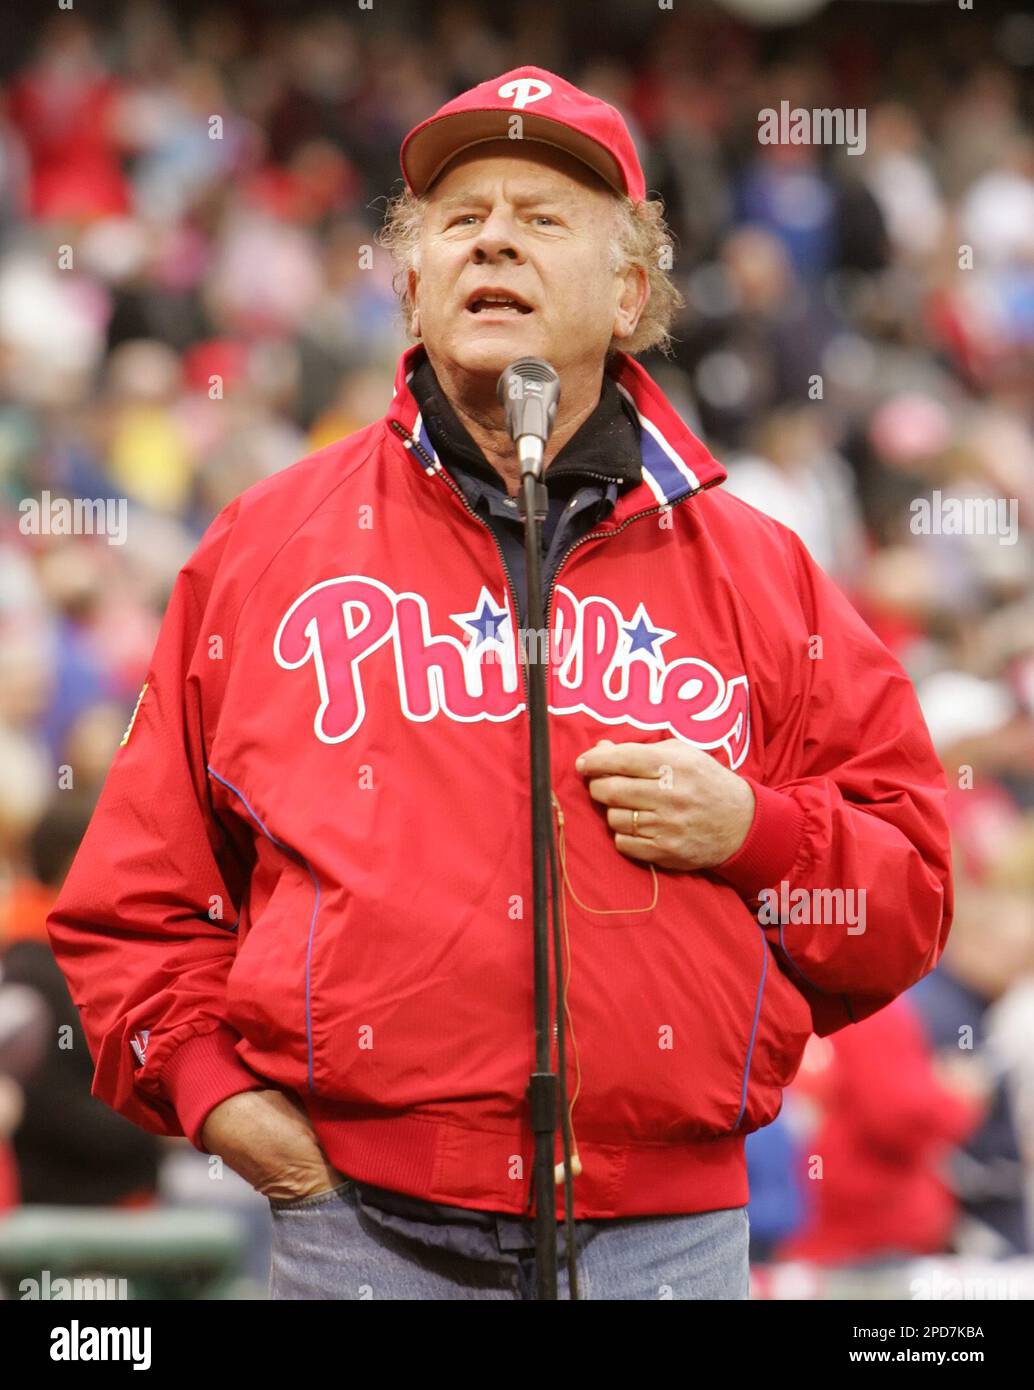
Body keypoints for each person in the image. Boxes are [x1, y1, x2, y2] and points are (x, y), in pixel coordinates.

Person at [47, 66, 954, 1300]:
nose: (492, 239)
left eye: (540, 217)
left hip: (666, 1240)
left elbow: (902, 898)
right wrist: (214, 1097)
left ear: (630, 292)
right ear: (411, 283)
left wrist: (759, 830)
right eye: (459, 218)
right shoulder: (263, 546)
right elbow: (132, 904)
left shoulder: (763, 572)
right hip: (354, 1224)